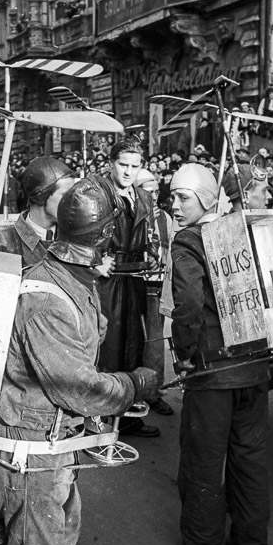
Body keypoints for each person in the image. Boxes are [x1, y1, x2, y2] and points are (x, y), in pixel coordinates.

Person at [0, 177, 159, 545]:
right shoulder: (47, 295)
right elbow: (73, 384)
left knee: (57, 534)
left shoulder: (73, 273)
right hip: (34, 435)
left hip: (58, 433)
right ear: (102, 237)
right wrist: (132, 386)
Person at [170, 162, 271, 545]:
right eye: (172, 195)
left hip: (211, 371)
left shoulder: (188, 240)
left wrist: (183, 353)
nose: (173, 204)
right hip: (255, 364)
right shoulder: (245, 229)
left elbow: (189, 307)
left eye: (183, 197)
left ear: (207, 199)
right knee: (250, 458)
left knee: (205, 461)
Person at [0, 156, 78, 545]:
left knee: (46, 482)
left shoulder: (71, 240)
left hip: (56, 380)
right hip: (14, 387)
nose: (75, 201)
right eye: (65, 193)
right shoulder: (2, 244)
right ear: (40, 197)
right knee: (6, 471)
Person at [96, 140, 161, 438]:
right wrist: (95, 260)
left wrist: (153, 253)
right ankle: (97, 420)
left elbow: (153, 233)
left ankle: (129, 419)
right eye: (124, 164)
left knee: (133, 347)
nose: (129, 171)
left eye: (135, 166)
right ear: (111, 162)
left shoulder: (145, 198)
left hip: (135, 280)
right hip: (106, 282)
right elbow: (79, 233)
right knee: (105, 346)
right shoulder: (97, 193)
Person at [134, 168, 174, 416]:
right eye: (149, 192)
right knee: (134, 344)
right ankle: (134, 394)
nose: (155, 197)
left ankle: (154, 392)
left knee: (155, 345)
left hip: (157, 287)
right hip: (134, 287)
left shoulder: (165, 219)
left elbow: (169, 249)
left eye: (157, 192)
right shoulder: (130, 217)